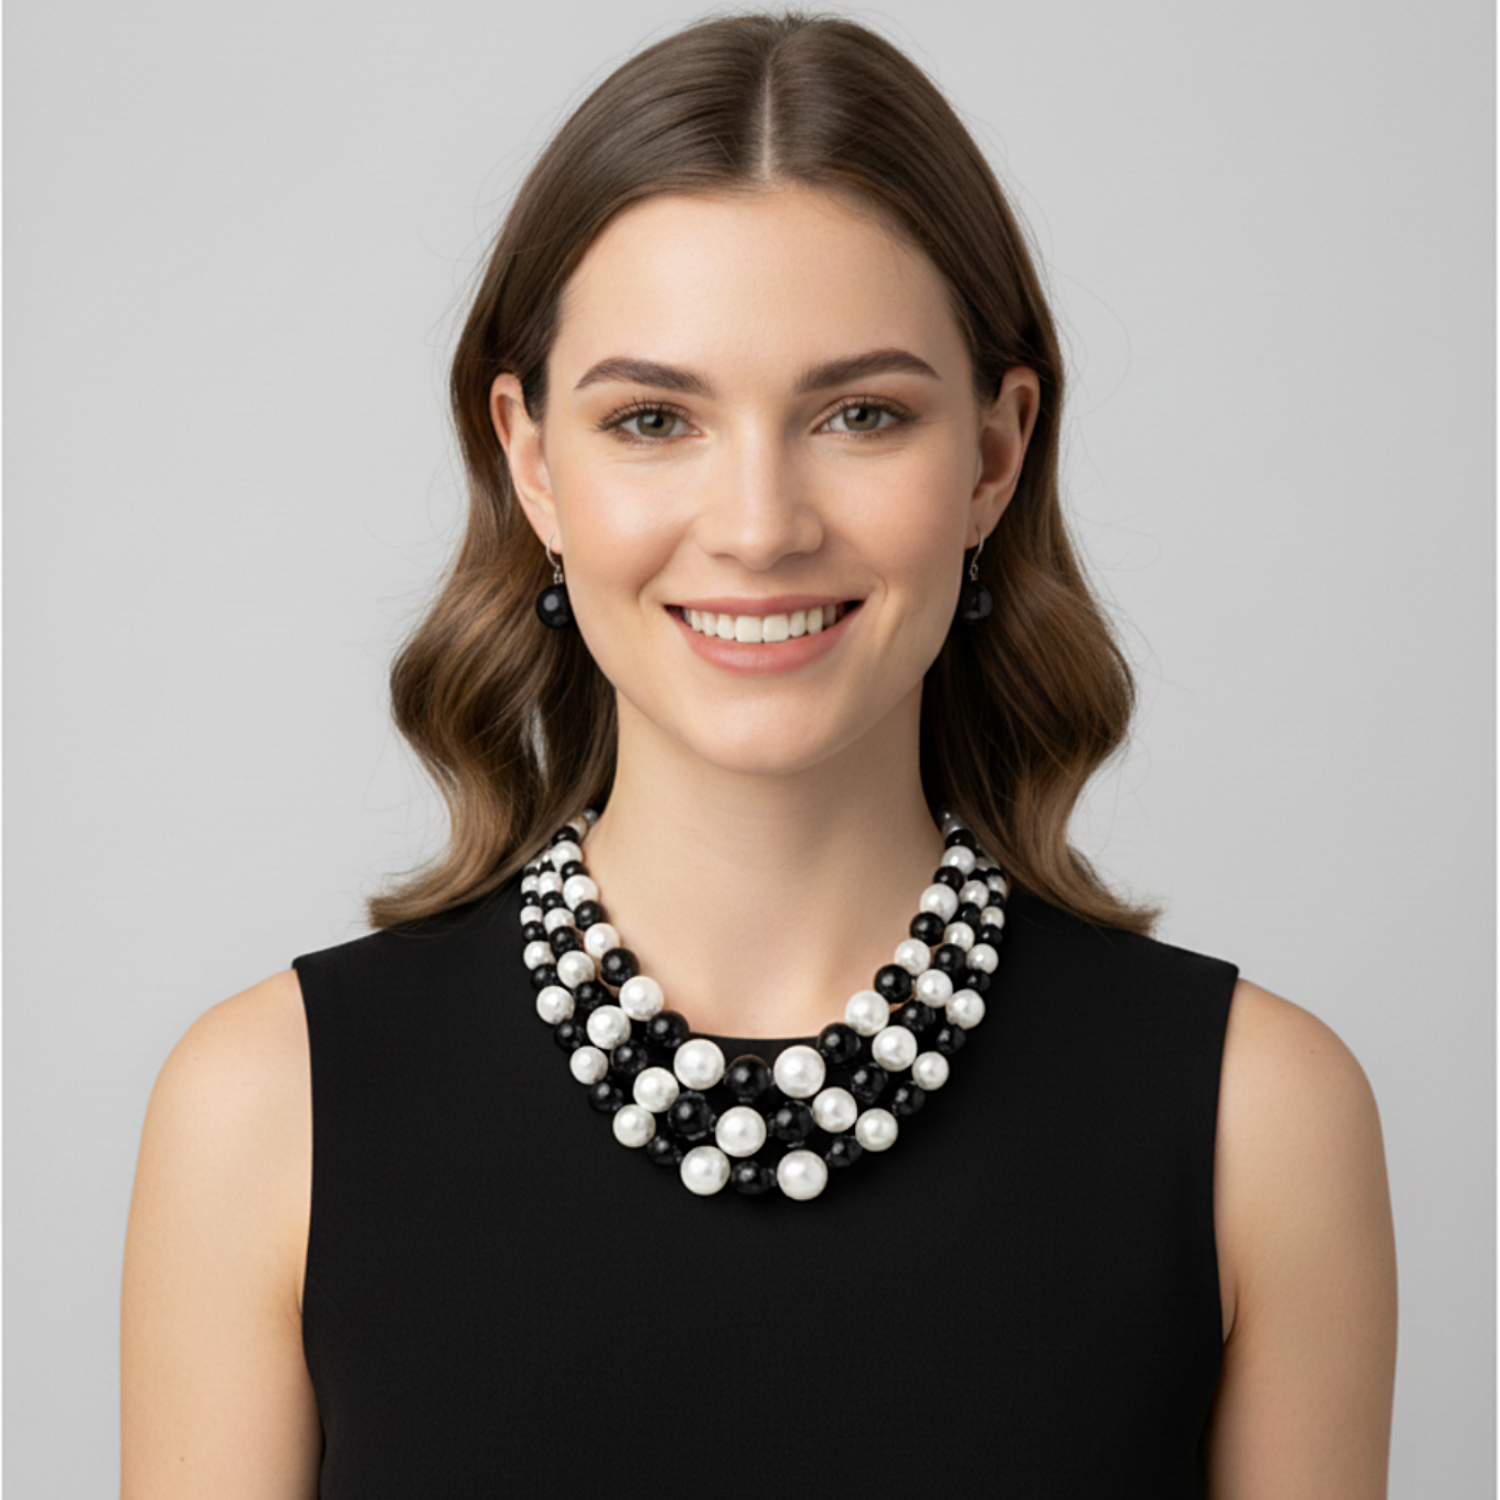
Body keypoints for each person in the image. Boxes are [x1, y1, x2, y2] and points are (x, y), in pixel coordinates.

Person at [120, 12, 1397, 1497]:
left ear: (994, 456)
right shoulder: (263, 1112)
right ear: (533, 460)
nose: (758, 526)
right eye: (654, 418)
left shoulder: (1262, 1123)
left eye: (859, 414)